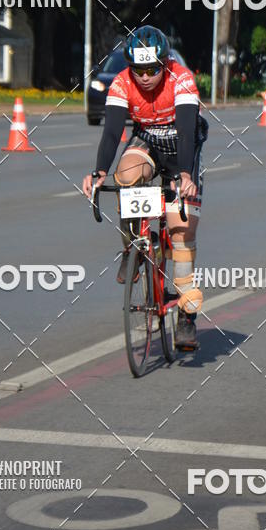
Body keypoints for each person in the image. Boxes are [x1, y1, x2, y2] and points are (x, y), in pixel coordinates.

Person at [82, 26, 208, 349]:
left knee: (181, 228)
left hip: (182, 147)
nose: (146, 77)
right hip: (149, 141)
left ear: (164, 64)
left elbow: (184, 132)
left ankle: (186, 317)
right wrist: (98, 173)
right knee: (125, 175)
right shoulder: (122, 82)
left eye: (152, 69)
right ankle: (133, 246)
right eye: (139, 70)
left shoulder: (181, 79)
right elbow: (111, 133)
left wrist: (184, 176)